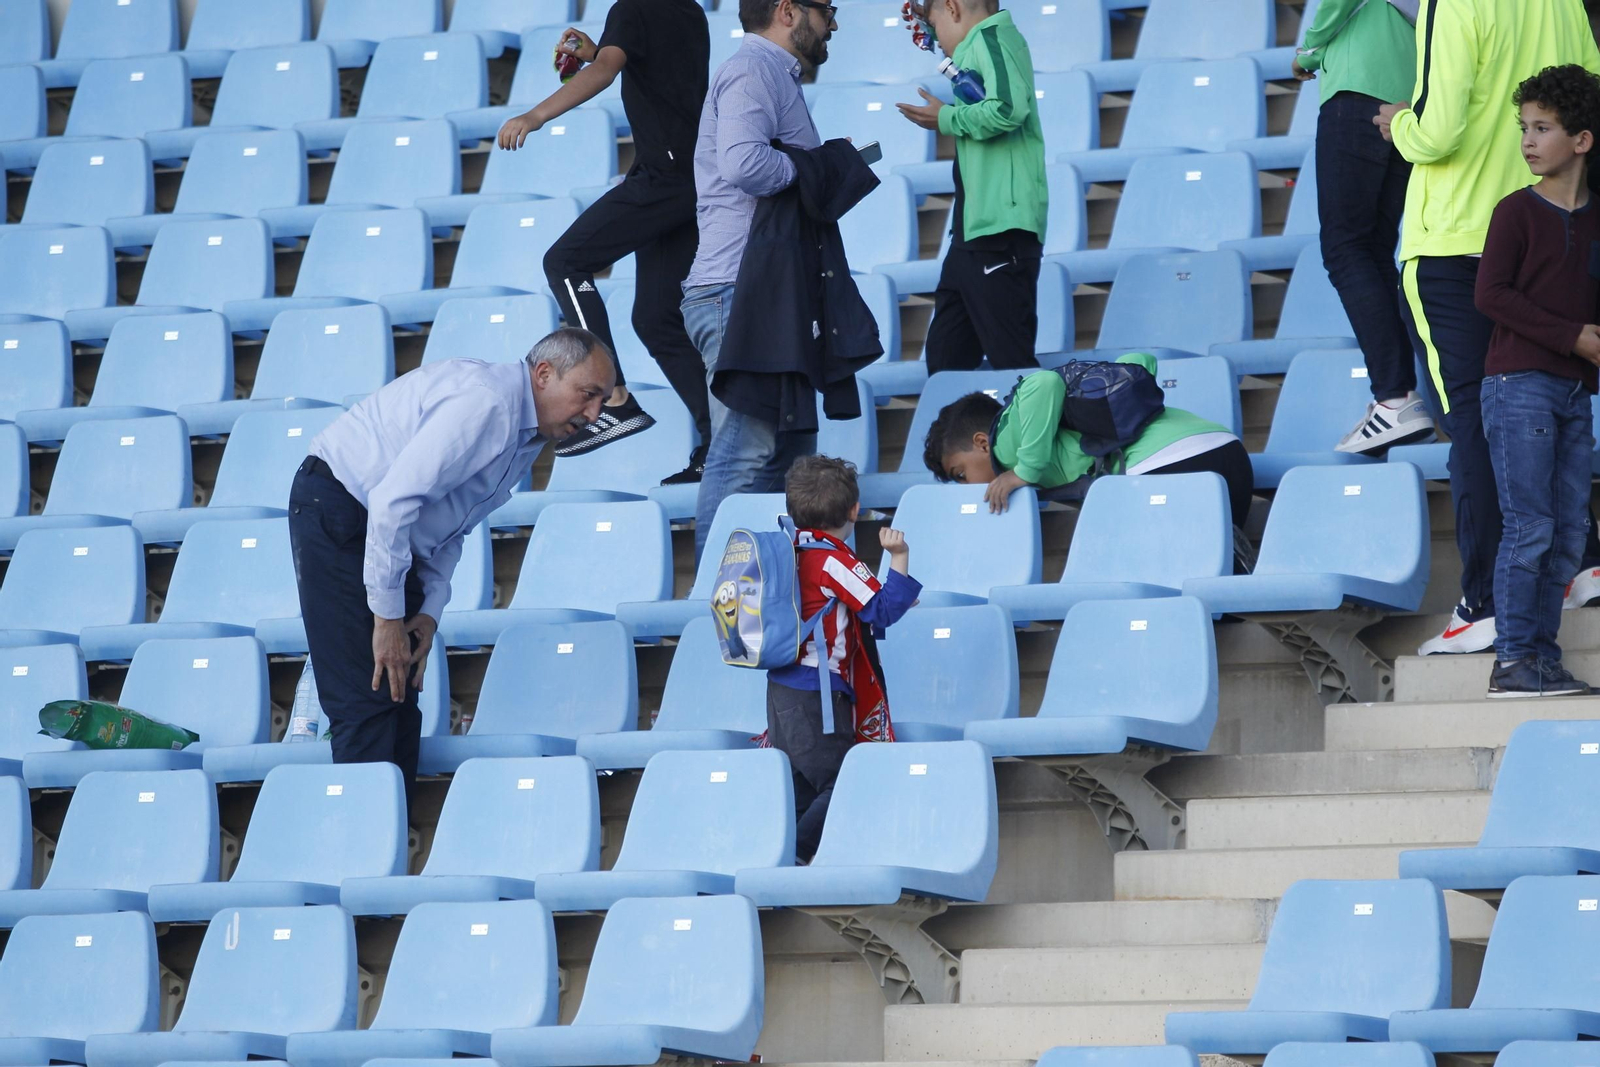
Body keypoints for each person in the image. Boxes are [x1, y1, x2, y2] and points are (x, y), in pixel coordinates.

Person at [287, 329, 616, 816]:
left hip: (381, 532)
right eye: (588, 395)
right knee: (369, 698)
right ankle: (362, 859)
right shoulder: (488, 403)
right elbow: (393, 501)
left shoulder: (526, 432)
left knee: (399, 704)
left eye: (602, 402)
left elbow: (452, 523)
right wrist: (386, 619)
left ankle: (386, 854)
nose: (593, 415)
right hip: (345, 509)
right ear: (544, 374)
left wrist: (429, 610)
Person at [1375, 0, 1600, 655]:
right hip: (1546, 227)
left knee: (1475, 415)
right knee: (1552, 401)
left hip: (1457, 237)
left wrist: (1398, 125)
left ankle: (1488, 604)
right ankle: (1581, 563)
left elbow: (1437, 130)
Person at [497, 1, 712, 483]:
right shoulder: (689, 10)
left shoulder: (632, 7)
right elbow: (657, 71)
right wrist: (596, 51)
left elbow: (609, 72)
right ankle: (719, 443)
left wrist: (534, 116)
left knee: (565, 261)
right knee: (657, 319)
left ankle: (611, 397)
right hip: (692, 177)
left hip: (664, 176)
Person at [681, 0, 835, 558]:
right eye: (829, 8)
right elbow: (744, 164)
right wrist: (812, 170)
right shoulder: (753, 69)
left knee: (791, 455)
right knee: (744, 450)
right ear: (790, 11)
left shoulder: (769, 74)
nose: (834, 21)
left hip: (762, 294)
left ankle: (768, 603)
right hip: (738, 293)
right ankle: (715, 609)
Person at [1474, 65, 1600, 698]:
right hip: (1519, 385)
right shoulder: (1515, 212)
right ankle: (1514, 659)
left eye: (1542, 128)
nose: (1527, 140)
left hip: (1575, 393)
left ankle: (1541, 661)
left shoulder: (1596, 217)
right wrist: (1573, 336)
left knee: (1569, 531)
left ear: (1581, 140)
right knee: (1532, 527)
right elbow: (1490, 294)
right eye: (1524, 128)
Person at [1291, 0, 1431, 454]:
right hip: (1405, 104)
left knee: (1345, 250)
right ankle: (1399, 395)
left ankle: (1394, 396)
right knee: (1371, 252)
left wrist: (1309, 48)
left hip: (1355, 90)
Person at [770, 455, 921, 861]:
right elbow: (883, 608)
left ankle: (790, 864)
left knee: (802, 788)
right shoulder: (834, 559)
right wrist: (899, 556)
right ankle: (792, 858)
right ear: (854, 511)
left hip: (780, 690)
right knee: (849, 780)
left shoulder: (788, 550)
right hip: (817, 694)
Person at [921, 353, 1253, 530]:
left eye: (960, 474)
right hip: (1228, 452)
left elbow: (1043, 383)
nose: (965, 489)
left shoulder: (1003, 442)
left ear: (981, 443)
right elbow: (1140, 360)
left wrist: (1023, 471)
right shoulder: (1059, 422)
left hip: (1170, 467)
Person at [896, 0, 1048, 374]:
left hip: (1001, 232)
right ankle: (961, 434)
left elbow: (1008, 109)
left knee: (1013, 365)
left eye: (935, 26)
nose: (938, 42)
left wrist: (946, 117)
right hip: (971, 235)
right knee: (946, 366)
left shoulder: (994, 37)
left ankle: (1040, 433)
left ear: (952, 7)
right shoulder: (978, 44)